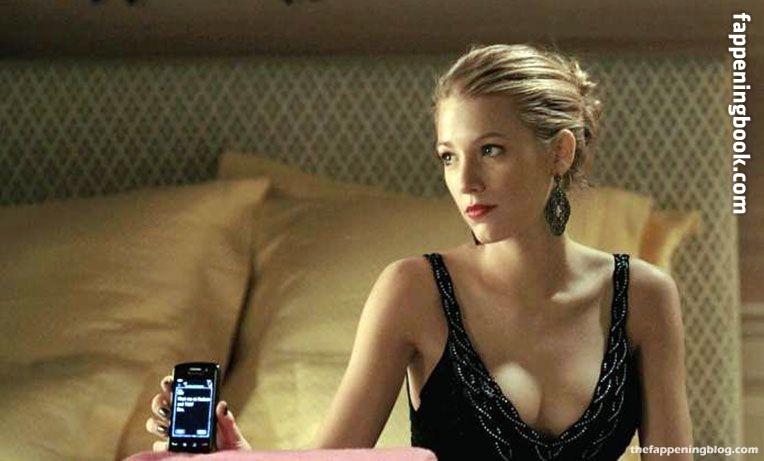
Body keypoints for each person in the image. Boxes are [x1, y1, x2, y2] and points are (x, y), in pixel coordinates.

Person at [146, 43, 693, 460]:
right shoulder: (413, 291)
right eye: (449, 157)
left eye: (491, 150)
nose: (466, 181)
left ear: (559, 153)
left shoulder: (644, 297)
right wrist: (239, 457)